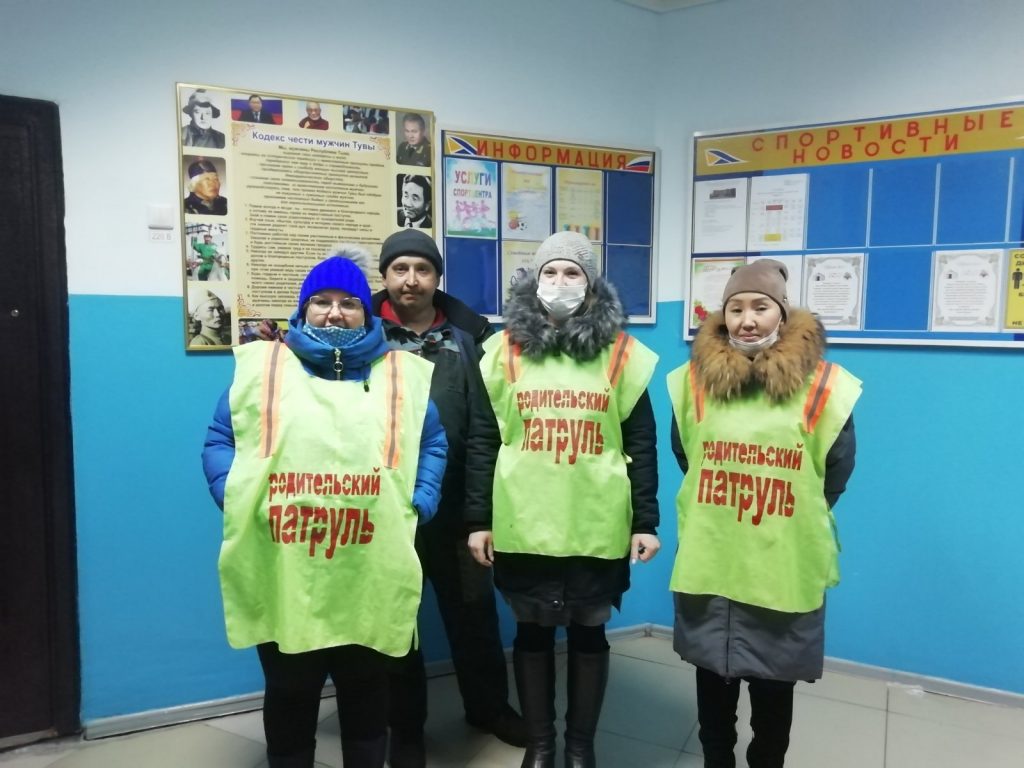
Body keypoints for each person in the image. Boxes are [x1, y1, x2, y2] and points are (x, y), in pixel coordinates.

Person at [202, 246, 448, 768]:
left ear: (366, 311)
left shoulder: (402, 375)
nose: (335, 313)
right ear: (303, 310)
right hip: (287, 564)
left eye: (349, 303)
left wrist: (423, 498)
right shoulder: (263, 368)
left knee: (367, 689)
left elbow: (432, 442)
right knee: (290, 689)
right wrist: (234, 493)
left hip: (369, 567)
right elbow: (222, 437)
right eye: (321, 302)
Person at [465, 231, 661, 768]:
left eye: (572, 272)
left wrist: (645, 521)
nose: (560, 282)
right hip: (524, 521)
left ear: (591, 283)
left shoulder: (622, 355)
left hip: (596, 522)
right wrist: (478, 518)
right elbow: (483, 439)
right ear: (533, 280)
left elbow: (641, 442)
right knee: (530, 633)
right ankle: (541, 745)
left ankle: (579, 748)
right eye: (549, 271)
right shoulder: (502, 352)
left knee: (588, 633)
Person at [666, 259, 860, 768]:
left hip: (781, 569)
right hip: (712, 565)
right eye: (735, 309)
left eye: (760, 307)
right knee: (713, 684)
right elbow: (687, 455)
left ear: (783, 313)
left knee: (773, 693)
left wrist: (783, 510)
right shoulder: (691, 383)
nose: (747, 320)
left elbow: (835, 470)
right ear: (722, 316)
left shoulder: (824, 386)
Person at [371, 229, 526, 766]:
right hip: (387, 506)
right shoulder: (364, 334)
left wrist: (481, 510)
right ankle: (405, 729)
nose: (411, 280)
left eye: (423, 269)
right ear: (385, 276)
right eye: (400, 269)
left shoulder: (469, 339)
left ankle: (488, 708)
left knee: (474, 614)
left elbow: (487, 428)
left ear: (437, 277)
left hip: (458, 506)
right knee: (396, 621)